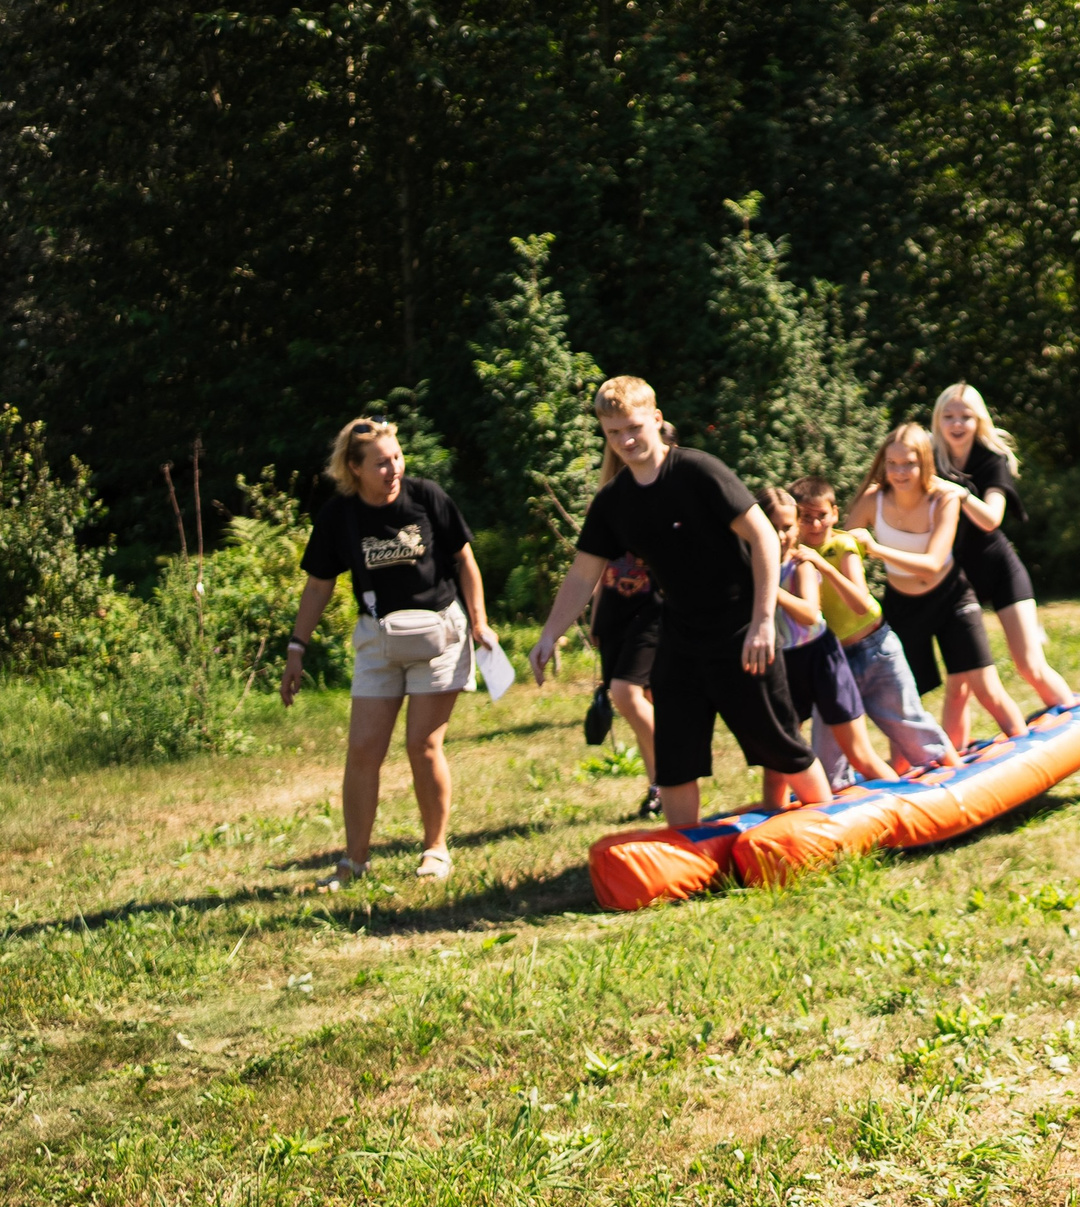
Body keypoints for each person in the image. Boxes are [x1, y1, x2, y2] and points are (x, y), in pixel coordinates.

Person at [527, 377, 830, 825]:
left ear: (656, 418)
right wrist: (549, 633)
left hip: (740, 630)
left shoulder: (698, 471)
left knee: (779, 743)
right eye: (613, 433)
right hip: (681, 636)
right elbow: (583, 571)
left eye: (633, 427)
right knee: (675, 758)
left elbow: (764, 537)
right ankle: (685, 850)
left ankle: (831, 825)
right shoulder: (614, 501)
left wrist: (764, 620)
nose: (626, 440)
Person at [281, 416, 497, 890]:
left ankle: (435, 850)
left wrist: (479, 621)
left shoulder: (427, 497)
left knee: (423, 745)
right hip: (378, 641)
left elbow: (464, 560)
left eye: (397, 457)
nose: (393, 469)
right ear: (353, 468)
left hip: (440, 636)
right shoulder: (340, 516)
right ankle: (355, 861)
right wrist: (297, 648)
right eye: (381, 463)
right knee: (362, 749)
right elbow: (319, 586)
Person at [849, 424, 1031, 749]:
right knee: (905, 702)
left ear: (925, 462)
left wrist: (875, 549)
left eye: (909, 463)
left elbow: (933, 562)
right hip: (903, 606)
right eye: (893, 464)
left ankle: (1029, 755)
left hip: (951, 598)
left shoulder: (944, 498)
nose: (900, 472)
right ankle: (906, 785)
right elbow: (843, 548)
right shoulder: (872, 499)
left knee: (985, 687)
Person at [789, 476, 959, 778]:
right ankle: (838, 806)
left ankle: (958, 780)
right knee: (829, 760)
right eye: (805, 518)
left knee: (910, 726)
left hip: (876, 651)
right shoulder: (793, 556)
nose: (815, 525)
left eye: (822, 516)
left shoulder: (843, 545)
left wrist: (824, 566)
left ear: (835, 514)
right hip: (833, 662)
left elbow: (860, 604)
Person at [928, 384, 1076, 711]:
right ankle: (952, 757)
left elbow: (992, 518)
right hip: (958, 578)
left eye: (965, 416)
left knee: (1029, 665)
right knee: (961, 681)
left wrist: (959, 492)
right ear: (938, 421)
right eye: (949, 416)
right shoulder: (930, 461)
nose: (957, 424)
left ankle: (1076, 720)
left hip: (1000, 569)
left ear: (978, 420)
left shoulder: (991, 459)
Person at [760, 485, 892, 786]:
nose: (781, 536)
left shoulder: (800, 564)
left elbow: (809, 614)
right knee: (778, 757)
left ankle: (908, 806)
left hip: (820, 658)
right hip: (783, 665)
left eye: (787, 527)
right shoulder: (754, 567)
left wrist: (771, 590)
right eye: (772, 528)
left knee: (858, 753)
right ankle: (773, 818)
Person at [588, 553, 663, 818]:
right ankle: (658, 789)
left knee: (625, 692)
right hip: (612, 615)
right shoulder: (602, 512)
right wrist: (595, 617)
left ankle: (676, 774)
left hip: (651, 613)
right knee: (645, 699)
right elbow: (598, 563)